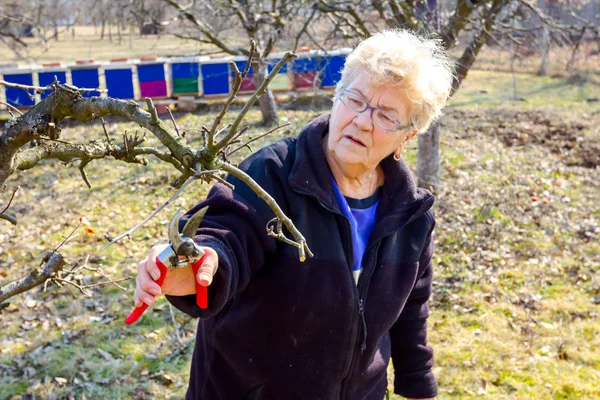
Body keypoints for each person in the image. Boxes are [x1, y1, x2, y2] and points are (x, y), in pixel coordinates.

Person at [133, 29, 453, 400]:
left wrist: (419, 386)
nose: (362, 121)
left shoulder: (410, 216)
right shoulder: (272, 174)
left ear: (407, 136)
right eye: (355, 100)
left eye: (384, 115)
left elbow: (411, 313)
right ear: (336, 97)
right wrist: (197, 267)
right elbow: (228, 236)